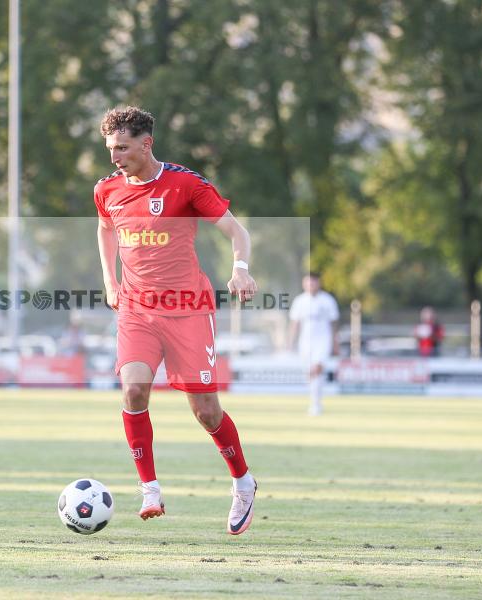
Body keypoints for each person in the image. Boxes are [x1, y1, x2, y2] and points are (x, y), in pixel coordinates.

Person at [95, 106, 258, 535]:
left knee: (205, 412)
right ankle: (149, 488)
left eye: (123, 149)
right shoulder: (107, 189)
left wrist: (240, 267)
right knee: (133, 388)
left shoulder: (185, 185)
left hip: (188, 308)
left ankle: (242, 481)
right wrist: (110, 280)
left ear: (146, 144)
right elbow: (105, 229)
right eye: (111, 149)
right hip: (136, 309)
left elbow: (237, 232)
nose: (115, 157)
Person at [289, 272, 339, 416]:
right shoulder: (299, 301)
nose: (310, 285)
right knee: (311, 373)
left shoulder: (327, 300)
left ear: (318, 283)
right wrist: (290, 342)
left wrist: (335, 343)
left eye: (313, 282)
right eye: (307, 282)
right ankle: (315, 400)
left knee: (317, 368)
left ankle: (316, 405)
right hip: (305, 342)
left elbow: (333, 323)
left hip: (323, 341)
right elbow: (295, 324)